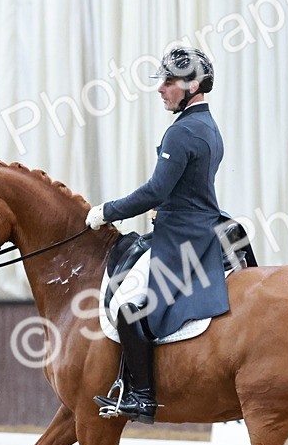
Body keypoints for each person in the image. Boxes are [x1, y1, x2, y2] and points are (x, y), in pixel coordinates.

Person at [85, 46, 229, 424]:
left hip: (182, 237)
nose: (160, 89)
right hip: (197, 223)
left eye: (169, 81)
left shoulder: (181, 132)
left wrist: (106, 211)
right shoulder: (207, 126)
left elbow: (155, 190)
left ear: (192, 86)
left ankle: (142, 397)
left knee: (128, 308)